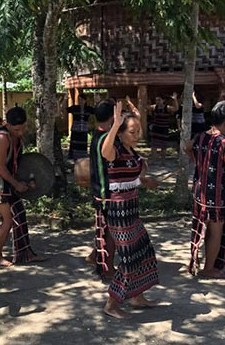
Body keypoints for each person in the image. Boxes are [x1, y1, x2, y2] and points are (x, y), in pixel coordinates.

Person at [101, 104, 160, 319]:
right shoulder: (114, 150)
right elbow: (104, 152)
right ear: (121, 133)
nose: (137, 135)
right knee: (129, 259)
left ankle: (136, 296)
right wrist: (115, 125)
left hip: (132, 210)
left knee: (144, 252)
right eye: (132, 132)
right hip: (119, 213)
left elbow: (131, 179)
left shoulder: (131, 152)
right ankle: (111, 304)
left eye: (139, 131)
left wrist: (146, 181)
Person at [184, 101, 225, 279]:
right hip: (216, 195)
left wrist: (198, 159)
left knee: (205, 228)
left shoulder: (201, 136)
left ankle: (204, 262)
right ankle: (208, 268)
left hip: (200, 192)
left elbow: (187, 146)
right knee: (215, 231)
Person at [0, 106, 45, 265]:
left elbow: (17, 162)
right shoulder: (2, 138)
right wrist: (17, 183)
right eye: (17, 129)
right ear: (7, 124)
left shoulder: (16, 136)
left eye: (23, 128)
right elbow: (0, 167)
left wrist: (26, 180)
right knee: (8, 221)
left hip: (8, 182)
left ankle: (25, 253)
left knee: (20, 214)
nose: (21, 132)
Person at [85, 100, 117, 280]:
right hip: (106, 192)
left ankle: (94, 255)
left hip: (99, 189)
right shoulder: (106, 138)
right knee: (110, 232)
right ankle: (108, 268)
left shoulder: (98, 134)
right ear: (113, 117)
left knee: (102, 228)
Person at [148, 93, 178, 160]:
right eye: (156, 100)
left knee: (163, 146)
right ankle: (154, 160)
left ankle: (163, 161)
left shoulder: (167, 108)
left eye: (159, 100)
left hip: (164, 129)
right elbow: (145, 107)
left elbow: (175, 109)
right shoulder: (154, 107)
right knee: (154, 145)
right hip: (156, 129)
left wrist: (175, 100)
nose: (157, 101)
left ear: (163, 100)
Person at [66, 94, 95, 160]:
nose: (80, 101)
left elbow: (97, 111)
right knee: (74, 145)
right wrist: (64, 100)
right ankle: (73, 158)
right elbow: (65, 110)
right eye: (79, 99)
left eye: (81, 99)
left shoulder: (88, 109)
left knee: (82, 145)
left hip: (83, 130)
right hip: (75, 130)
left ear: (85, 100)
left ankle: (82, 158)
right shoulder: (75, 108)